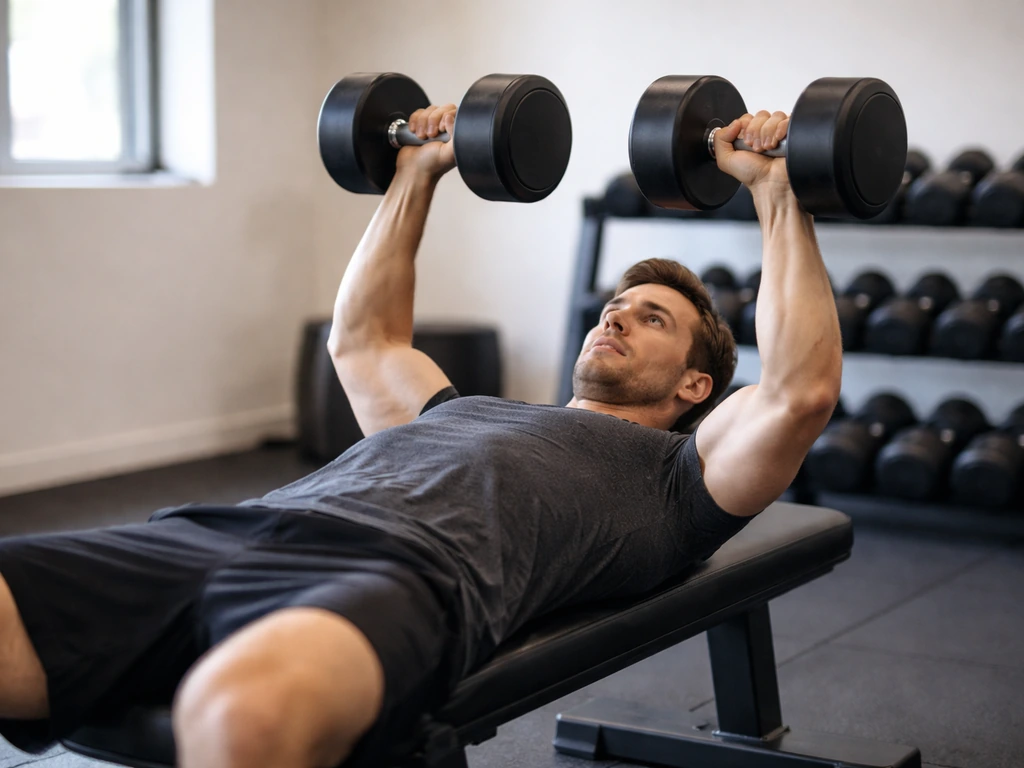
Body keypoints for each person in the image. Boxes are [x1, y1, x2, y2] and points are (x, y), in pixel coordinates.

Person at [0, 104, 841, 768]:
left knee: (241, 714)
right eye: (615, 305)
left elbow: (798, 390)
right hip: (225, 530)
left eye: (651, 317)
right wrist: (418, 170)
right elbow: (364, 341)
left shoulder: (680, 478)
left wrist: (775, 191)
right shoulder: (460, 410)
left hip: (394, 576)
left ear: (696, 387)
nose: (614, 315)